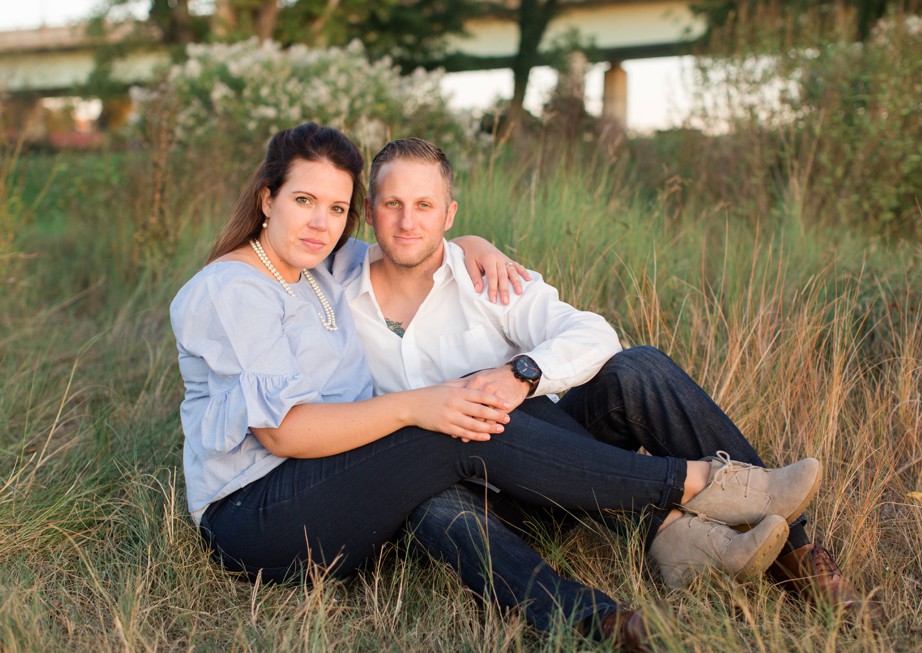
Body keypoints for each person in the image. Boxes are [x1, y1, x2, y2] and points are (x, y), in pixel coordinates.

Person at [170, 123, 824, 652]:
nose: (320, 220)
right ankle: (699, 490)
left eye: (334, 207)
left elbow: (582, 329)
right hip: (263, 511)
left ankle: (720, 562)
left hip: (362, 475)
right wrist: (420, 405)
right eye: (303, 200)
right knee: (447, 425)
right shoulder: (253, 284)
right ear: (267, 198)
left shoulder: (321, 265)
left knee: (542, 390)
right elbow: (279, 430)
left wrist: (476, 263)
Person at [330, 137, 886, 632]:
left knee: (635, 367)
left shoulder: (485, 277)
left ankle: (796, 553)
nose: (408, 221)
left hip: (560, 464)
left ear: (449, 213)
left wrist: (521, 375)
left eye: (424, 205)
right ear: (369, 214)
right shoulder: (332, 286)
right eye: (392, 204)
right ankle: (615, 602)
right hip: (471, 507)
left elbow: (591, 332)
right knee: (430, 504)